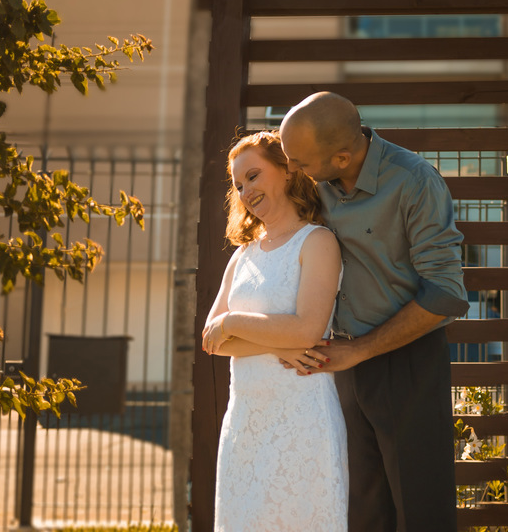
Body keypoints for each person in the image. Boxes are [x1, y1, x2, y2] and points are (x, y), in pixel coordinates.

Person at [277, 92, 469, 532]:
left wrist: (361, 350)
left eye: (300, 164)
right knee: (360, 513)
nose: (292, 172)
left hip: (407, 365)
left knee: (422, 512)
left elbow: (446, 292)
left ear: (342, 157)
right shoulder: (314, 179)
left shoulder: (415, 181)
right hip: (338, 367)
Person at [200, 131, 348, 531]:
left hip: (302, 420)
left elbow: (306, 328)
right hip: (245, 425)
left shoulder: (317, 242)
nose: (245, 190)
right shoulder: (242, 256)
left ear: (286, 171)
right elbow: (212, 340)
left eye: (253, 175)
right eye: (238, 184)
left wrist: (234, 323)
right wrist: (278, 344)